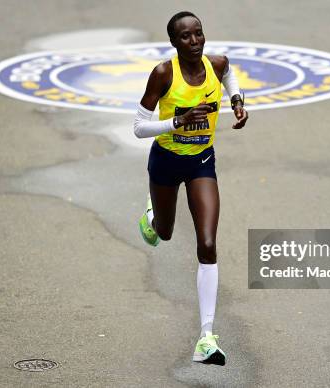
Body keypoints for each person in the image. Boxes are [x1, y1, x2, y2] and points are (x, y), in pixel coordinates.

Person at [133, 11, 248, 366]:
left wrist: (238, 101)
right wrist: (177, 121)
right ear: (173, 43)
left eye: (198, 34)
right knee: (164, 234)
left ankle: (206, 337)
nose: (195, 41)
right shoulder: (164, 74)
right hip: (165, 163)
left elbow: (229, 76)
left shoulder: (217, 63)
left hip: (201, 162)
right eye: (185, 37)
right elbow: (138, 128)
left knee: (208, 243)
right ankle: (152, 216)